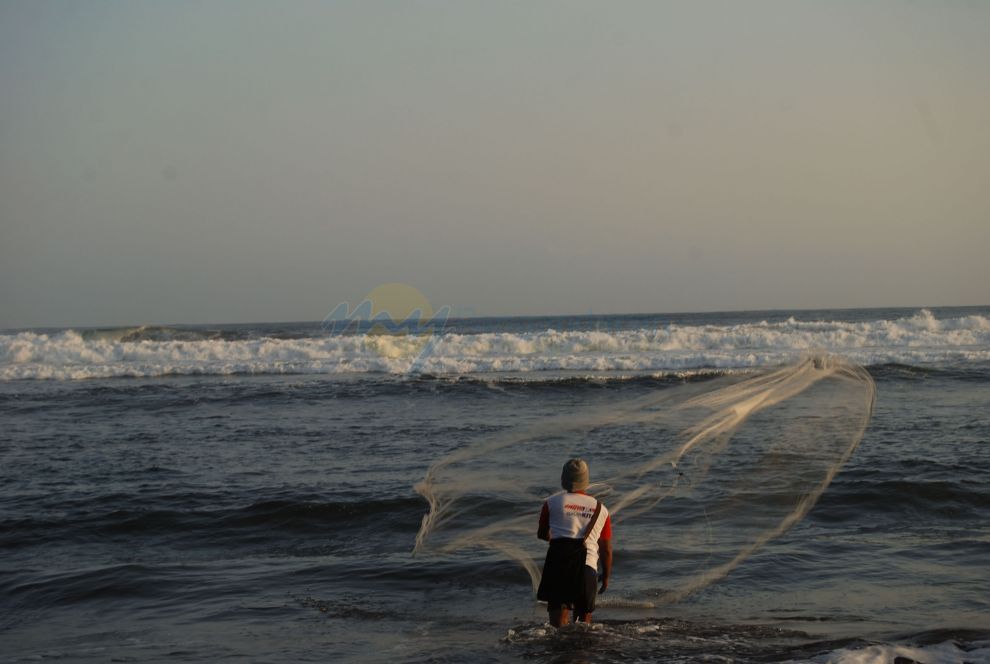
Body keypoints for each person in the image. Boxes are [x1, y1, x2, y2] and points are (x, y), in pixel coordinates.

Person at [536, 458, 613, 627]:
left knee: (556, 627)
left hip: (558, 566)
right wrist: (606, 576)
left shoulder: (551, 503)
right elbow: (606, 549)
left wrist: (554, 538)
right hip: (587, 568)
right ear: (586, 481)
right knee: (584, 628)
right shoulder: (601, 509)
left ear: (563, 480)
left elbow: (542, 534)